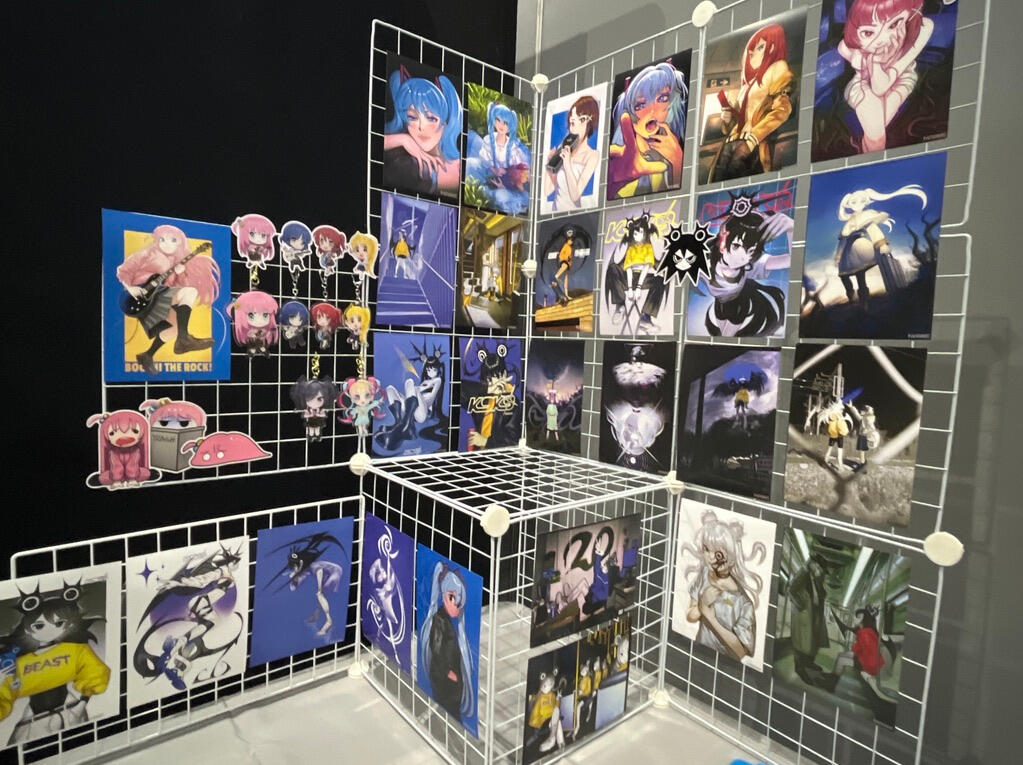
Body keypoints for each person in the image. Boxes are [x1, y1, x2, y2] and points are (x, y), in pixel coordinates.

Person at [116, 224, 220, 374]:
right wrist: (130, 288)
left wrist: (180, 273)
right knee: (190, 292)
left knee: (173, 329)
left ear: (180, 244)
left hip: (159, 296)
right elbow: (123, 270)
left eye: (173, 240)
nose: (166, 244)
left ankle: (147, 355)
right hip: (140, 298)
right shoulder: (147, 253)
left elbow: (176, 286)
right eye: (162, 239)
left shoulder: (175, 261)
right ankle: (183, 339)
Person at [838, 0, 934, 154]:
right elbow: (877, 86)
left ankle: (864, 153)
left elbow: (883, 85)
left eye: (894, 24)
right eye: (868, 32)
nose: (883, 38)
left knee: (875, 132)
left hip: (902, 79)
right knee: (876, 135)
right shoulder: (849, 47)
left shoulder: (924, 26)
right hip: (863, 82)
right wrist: (874, 61)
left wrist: (876, 60)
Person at [709, 24, 793, 182]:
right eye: (752, 50)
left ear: (772, 47)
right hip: (732, 141)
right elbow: (736, 122)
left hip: (752, 142)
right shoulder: (748, 83)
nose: (753, 53)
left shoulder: (777, 69)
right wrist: (727, 119)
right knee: (718, 182)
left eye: (760, 47)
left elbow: (782, 109)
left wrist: (754, 137)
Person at [682, 510, 766, 663]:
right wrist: (701, 605)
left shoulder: (743, 603)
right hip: (698, 655)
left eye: (717, 552)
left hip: (725, 665)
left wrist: (710, 617)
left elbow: (741, 651)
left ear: (730, 555)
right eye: (706, 549)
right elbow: (690, 615)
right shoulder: (704, 574)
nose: (710, 556)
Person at [607, 61, 688, 199]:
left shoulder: (668, 153)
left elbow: (676, 199)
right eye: (640, 105)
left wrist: (677, 160)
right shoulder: (619, 157)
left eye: (662, 98)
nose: (652, 111)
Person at [383, 66, 462, 197]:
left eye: (431, 118)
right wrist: (403, 139)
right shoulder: (403, 163)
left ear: (446, 122)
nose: (421, 127)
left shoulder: (461, 166)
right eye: (412, 117)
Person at [419, 564, 475, 723]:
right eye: (452, 598)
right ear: (443, 596)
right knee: (448, 717)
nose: (455, 606)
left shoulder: (449, 622)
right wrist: (448, 673)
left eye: (459, 602)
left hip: (451, 684)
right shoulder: (439, 621)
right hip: (445, 682)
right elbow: (436, 650)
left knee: (451, 717)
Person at [543, 95, 601, 210]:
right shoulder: (564, 149)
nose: (571, 129)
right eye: (570, 124)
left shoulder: (592, 155)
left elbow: (575, 196)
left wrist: (567, 165)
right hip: (555, 212)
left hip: (574, 214)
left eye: (573, 123)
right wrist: (550, 165)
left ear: (585, 121)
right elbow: (547, 190)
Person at [788, 554, 830, 685]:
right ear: (812, 564)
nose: (820, 571)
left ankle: (809, 663)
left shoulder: (816, 580)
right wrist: (800, 605)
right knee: (801, 643)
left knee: (813, 642)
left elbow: (819, 594)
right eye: (819, 567)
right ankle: (800, 669)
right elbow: (792, 589)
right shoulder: (803, 574)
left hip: (815, 613)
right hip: (804, 614)